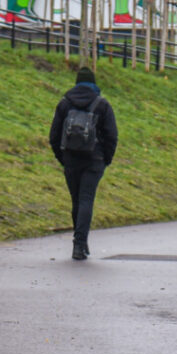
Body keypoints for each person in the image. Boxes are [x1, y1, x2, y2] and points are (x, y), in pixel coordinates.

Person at [49, 66, 119, 261]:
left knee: (76, 200)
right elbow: (112, 136)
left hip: (71, 159)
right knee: (86, 199)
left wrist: (62, 158)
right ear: (94, 83)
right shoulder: (102, 104)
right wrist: (106, 159)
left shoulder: (65, 104)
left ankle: (79, 241)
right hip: (93, 160)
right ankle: (80, 244)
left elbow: (54, 136)